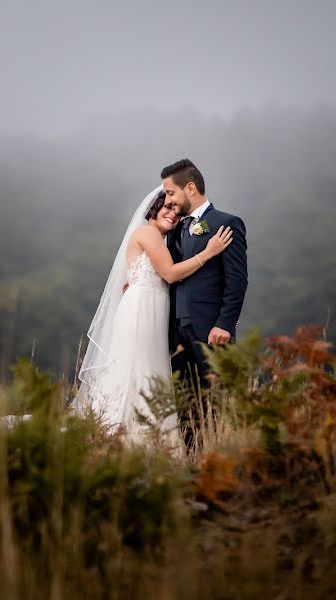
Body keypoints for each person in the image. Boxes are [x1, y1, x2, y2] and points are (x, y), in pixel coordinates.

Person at [71, 180, 234, 455]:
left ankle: (147, 437)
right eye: (166, 206)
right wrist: (209, 252)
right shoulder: (147, 233)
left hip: (154, 309)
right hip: (140, 311)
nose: (172, 212)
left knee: (151, 370)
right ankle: (124, 437)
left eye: (175, 209)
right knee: (138, 369)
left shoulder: (165, 240)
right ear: (153, 208)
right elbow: (170, 274)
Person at [163, 158, 247, 451]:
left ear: (190, 187)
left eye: (171, 193)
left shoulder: (226, 223)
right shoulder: (175, 230)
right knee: (184, 403)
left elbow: (237, 282)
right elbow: (170, 273)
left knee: (216, 401)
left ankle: (217, 461)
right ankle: (190, 463)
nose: (168, 200)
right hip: (177, 331)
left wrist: (225, 322)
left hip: (211, 329)